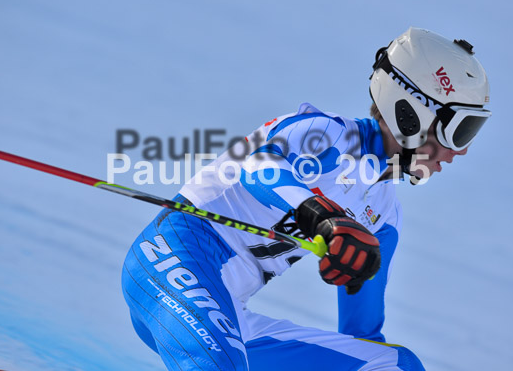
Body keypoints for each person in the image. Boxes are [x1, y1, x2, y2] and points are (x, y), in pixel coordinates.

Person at [121, 27, 491, 370]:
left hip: (229, 315)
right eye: (460, 130)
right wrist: (324, 217)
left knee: (393, 365)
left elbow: (362, 338)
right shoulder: (326, 134)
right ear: (411, 114)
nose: (461, 152)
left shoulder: (383, 215)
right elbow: (259, 167)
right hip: (172, 259)